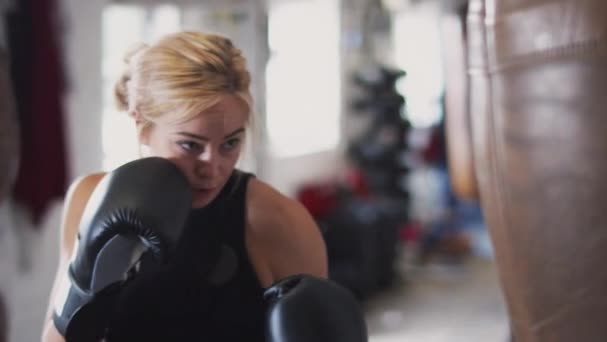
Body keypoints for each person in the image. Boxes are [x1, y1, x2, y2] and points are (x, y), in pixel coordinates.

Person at [41, 31, 366, 341]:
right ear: (141, 125)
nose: (213, 168)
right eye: (190, 145)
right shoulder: (89, 198)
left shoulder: (277, 220)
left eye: (230, 143)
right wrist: (87, 282)